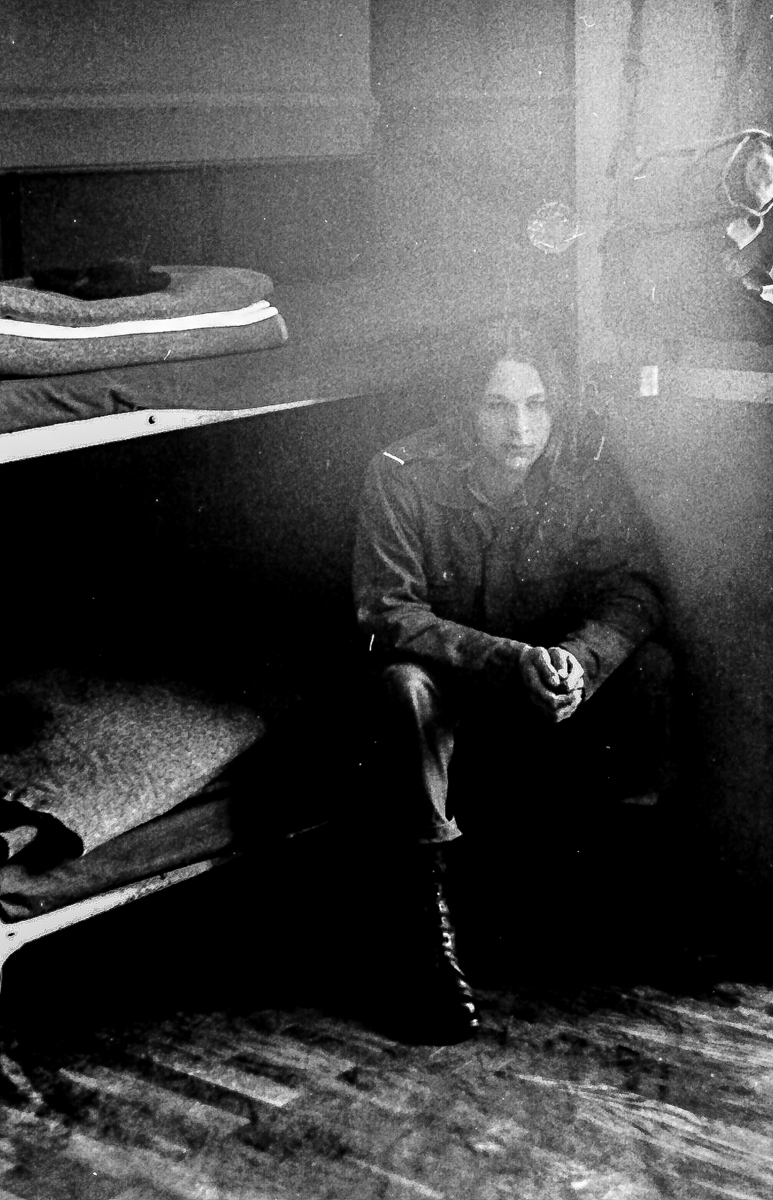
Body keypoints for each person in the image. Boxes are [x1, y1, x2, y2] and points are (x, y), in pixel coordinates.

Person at [352, 318, 674, 1043]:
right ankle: (427, 941)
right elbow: (388, 611)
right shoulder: (400, 473)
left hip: (547, 679)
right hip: (455, 678)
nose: (519, 428)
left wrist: (578, 663)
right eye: (497, 405)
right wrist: (508, 661)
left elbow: (633, 590)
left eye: (536, 404)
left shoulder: (585, 472)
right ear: (467, 408)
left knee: (652, 669)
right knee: (402, 687)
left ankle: (632, 904)